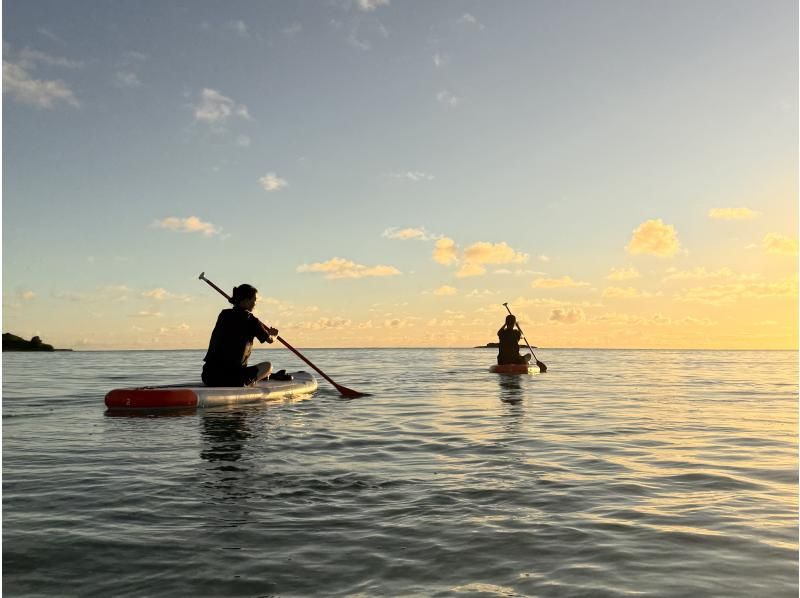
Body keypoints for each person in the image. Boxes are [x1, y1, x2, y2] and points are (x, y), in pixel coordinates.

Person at [202, 283, 290, 386]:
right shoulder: (252, 321)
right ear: (246, 300)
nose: (254, 304)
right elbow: (269, 339)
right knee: (268, 366)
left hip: (208, 376)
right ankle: (254, 380)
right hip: (233, 379)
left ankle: (265, 376)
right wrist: (274, 335)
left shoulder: (223, 315)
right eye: (254, 300)